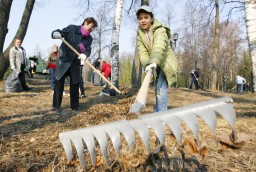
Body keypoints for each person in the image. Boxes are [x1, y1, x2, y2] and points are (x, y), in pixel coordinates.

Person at [136, 5, 178, 112]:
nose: (143, 21)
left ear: (151, 18)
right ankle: (159, 111)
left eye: (146, 17)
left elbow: (158, 47)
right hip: (155, 63)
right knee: (157, 89)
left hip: (166, 63)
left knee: (161, 88)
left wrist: (153, 61)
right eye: (140, 18)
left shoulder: (160, 30)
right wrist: (147, 64)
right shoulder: (140, 33)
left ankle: (161, 116)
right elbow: (142, 52)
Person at [51, 17, 97, 112]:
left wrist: (85, 54)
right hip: (64, 60)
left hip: (75, 63)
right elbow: (61, 32)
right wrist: (55, 33)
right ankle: (56, 106)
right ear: (85, 23)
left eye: (93, 28)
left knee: (75, 84)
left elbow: (88, 49)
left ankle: (75, 107)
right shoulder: (72, 29)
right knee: (59, 84)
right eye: (91, 27)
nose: (92, 29)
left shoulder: (89, 39)